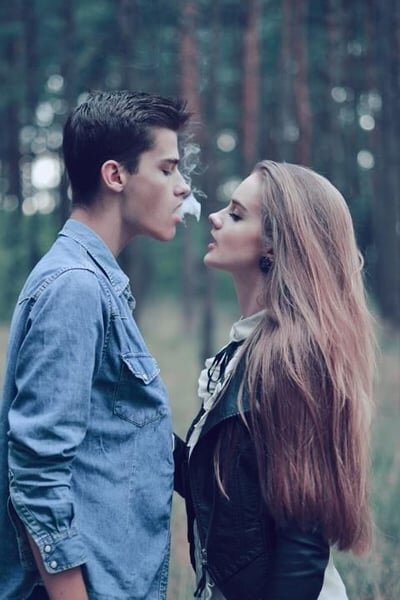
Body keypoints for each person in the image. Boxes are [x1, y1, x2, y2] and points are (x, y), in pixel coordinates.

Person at [0, 90, 191, 600]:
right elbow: (36, 473)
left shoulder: (94, 284)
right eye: (167, 168)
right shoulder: (76, 288)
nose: (183, 186)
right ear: (115, 175)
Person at [174, 160, 375, 600]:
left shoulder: (292, 360)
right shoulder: (246, 349)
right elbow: (224, 495)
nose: (214, 217)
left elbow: (302, 544)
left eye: (236, 214)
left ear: (274, 246)